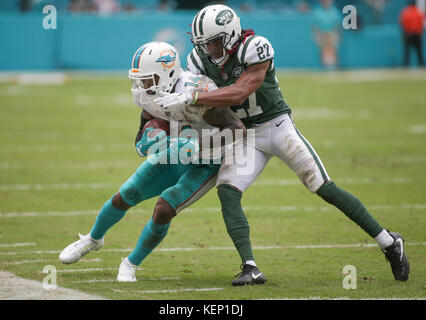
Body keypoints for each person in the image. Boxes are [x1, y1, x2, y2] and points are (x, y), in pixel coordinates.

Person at [155, 4, 410, 282]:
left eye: (214, 43)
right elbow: (204, 101)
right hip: (246, 133)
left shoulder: (255, 46)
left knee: (322, 186)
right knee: (227, 190)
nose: (209, 50)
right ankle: (250, 267)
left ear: (229, 35)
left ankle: (388, 242)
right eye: (204, 44)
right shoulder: (199, 59)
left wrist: (194, 98)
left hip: (277, 126)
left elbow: (240, 92)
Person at [59, 42, 246, 282]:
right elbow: (142, 133)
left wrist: (198, 146)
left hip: (207, 162)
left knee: (163, 209)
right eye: (139, 80)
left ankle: (130, 263)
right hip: (175, 152)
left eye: (148, 80)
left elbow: (236, 129)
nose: (141, 86)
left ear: (168, 74)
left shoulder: (196, 91)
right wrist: (149, 139)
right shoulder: (150, 96)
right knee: (126, 193)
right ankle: (93, 239)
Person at [312, 0, 342, 69]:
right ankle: (324, 67)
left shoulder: (334, 11)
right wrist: (316, 36)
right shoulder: (317, 12)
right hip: (321, 34)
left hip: (332, 34)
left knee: (333, 52)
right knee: (323, 52)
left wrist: (338, 36)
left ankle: (335, 67)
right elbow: (315, 26)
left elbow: (337, 26)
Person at [400, 0, 425, 67]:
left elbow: (403, 23)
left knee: (407, 52)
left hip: (409, 34)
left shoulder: (406, 12)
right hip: (417, 34)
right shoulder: (419, 12)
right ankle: (421, 65)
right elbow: (422, 24)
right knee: (419, 52)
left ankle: (405, 65)